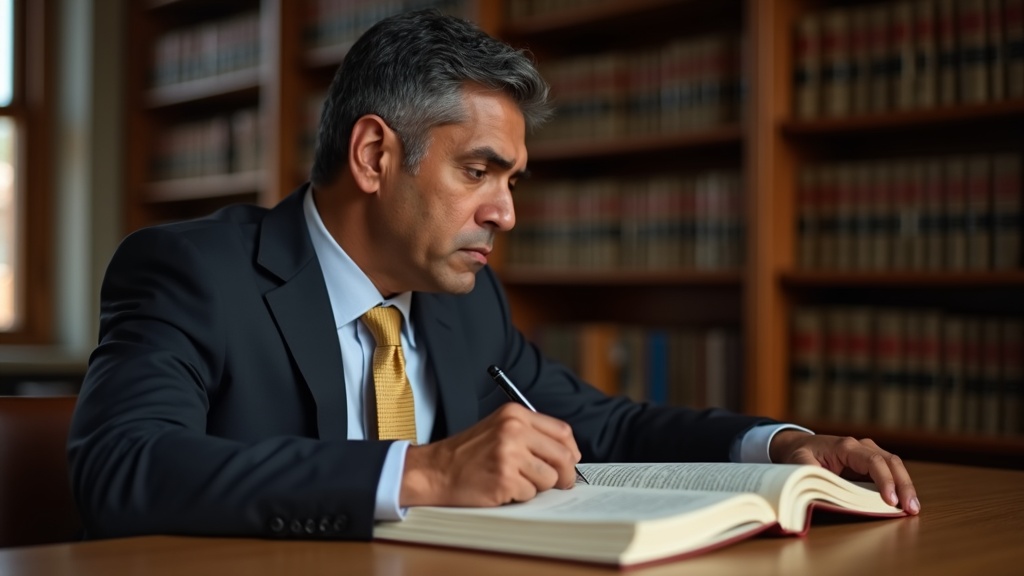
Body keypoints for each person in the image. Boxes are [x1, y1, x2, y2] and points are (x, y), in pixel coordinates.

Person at [68, 9, 919, 541]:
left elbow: (602, 426)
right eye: (479, 172)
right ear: (374, 155)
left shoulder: (462, 304)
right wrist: (426, 474)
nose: (505, 213)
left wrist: (784, 446)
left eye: (512, 181)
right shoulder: (189, 272)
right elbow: (121, 467)